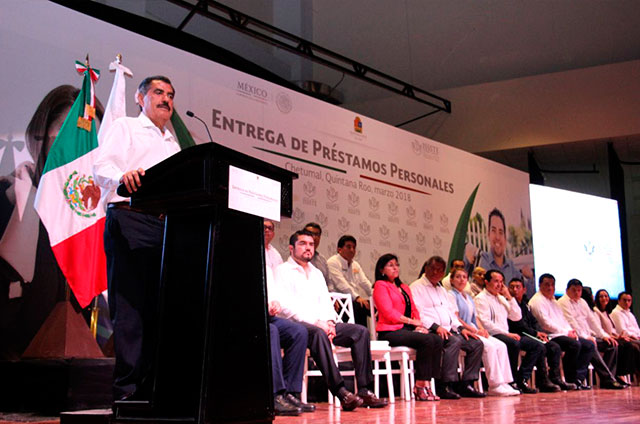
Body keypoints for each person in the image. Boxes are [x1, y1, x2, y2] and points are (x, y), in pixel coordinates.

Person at [93, 75, 181, 400]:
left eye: (170, 94)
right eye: (158, 92)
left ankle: (155, 391)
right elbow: (101, 166)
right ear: (140, 98)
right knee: (131, 309)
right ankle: (127, 394)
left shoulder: (173, 144)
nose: (166, 99)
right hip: (130, 217)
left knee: (161, 310)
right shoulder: (126, 127)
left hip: (167, 227)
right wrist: (122, 176)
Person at [0, 85, 103, 359]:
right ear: (42, 135)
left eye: (90, 140)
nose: (80, 150)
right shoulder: (10, 200)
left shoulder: (99, 222)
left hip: (83, 374)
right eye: (70, 134)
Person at [274, 230, 388, 411]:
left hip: (323, 324)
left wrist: (330, 322)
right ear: (291, 248)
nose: (308, 248)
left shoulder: (317, 273)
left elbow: (326, 302)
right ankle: (341, 392)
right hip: (298, 326)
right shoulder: (282, 271)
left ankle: (365, 390)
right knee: (318, 334)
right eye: (303, 244)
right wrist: (316, 322)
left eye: (311, 244)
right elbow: (286, 307)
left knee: (360, 332)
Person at [410, 256, 486, 399]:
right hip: (431, 331)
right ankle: (445, 384)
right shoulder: (416, 287)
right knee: (453, 342)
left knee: (476, 343)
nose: (436, 272)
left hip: (449, 329)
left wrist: (461, 329)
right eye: (433, 269)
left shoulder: (442, 290)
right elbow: (418, 314)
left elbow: (451, 314)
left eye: (440, 270)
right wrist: (436, 327)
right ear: (426, 268)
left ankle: (467, 384)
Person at [372, 253, 443, 401]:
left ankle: (429, 383)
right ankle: (419, 386)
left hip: (407, 330)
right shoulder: (380, 285)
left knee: (436, 339)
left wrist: (418, 326)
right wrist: (411, 322)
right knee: (427, 340)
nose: (395, 268)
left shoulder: (404, 287)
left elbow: (414, 310)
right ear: (381, 270)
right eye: (390, 265)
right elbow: (388, 312)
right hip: (390, 331)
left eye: (396, 265)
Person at [448, 268, 520, 396]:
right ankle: (495, 385)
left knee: (501, 345)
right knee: (490, 347)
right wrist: (474, 330)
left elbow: (475, 318)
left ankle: (505, 382)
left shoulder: (468, 297)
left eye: (464, 277)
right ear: (451, 280)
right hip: (462, 330)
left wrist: (481, 329)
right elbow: (456, 318)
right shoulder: (451, 295)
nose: (462, 280)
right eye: (458, 277)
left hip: (474, 328)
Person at [474, 269, 543, 394]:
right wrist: (507, 334)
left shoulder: (501, 298)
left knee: (537, 345)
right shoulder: (481, 299)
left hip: (506, 334)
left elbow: (516, 317)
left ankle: (521, 379)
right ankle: (511, 381)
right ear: (486, 282)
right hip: (493, 334)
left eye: (501, 282)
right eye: (496, 281)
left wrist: (509, 296)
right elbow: (486, 323)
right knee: (513, 344)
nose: (499, 285)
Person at [528, 273, 595, 390]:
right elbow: (545, 323)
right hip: (549, 335)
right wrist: (566, 332)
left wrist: (570, 331)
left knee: (588, 345)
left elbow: (563, 320)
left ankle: (578, 378)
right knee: (574, 345)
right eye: (547, 285)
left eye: (552, 285)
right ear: (540, 285)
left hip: (561, 333)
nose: (550, 288)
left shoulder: (553, 301)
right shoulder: (537, 301)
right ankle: (568, 378)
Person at [557, 279, 624, 389]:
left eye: (579, 290)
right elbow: (572, 323)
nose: (577, 293)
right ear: (567, 290)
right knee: (590, 345)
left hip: (588, 336)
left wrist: (604, 336)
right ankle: (606, 379)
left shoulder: (582, 302)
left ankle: (607, 378)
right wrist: (586, 337)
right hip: (575, 336)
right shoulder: (563, 302)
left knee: (612, 345)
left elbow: (592, 322)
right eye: (574, 290)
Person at [507, 278, 570, 391]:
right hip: (517, 334)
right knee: (539, 346)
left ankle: (555, 378)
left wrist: (541, 332)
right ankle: (528, 379)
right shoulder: (509, 304)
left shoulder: (524, 305)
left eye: (518, 287)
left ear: (524, 290)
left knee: (554, 346)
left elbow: (534, 321)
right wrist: (536, 333)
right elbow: (519, 326)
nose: (514, 290)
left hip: (529, 334)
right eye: (512, 287)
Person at [264, 266, 312, 416]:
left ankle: (290, 393)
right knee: (272, 331)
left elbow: (272, 291)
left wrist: (274, 303)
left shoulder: (268, 262)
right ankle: (275, 396)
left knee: (298, 332)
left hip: (268, 315)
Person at [467, 208, 535, 298]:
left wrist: (530, 278)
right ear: (488, 235)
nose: (497, 237)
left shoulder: (511, 266)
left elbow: (529, 294)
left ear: (505, 238)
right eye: (493, 231)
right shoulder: (482, 259)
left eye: (501, 232)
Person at [327, 235, 373, 326]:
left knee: (375, 307)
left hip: (353, 299)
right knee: (360, 306)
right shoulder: (333, 262)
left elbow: (364, 282)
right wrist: (357, 297)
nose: (352, 250)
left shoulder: (355, 264)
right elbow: (342, 285)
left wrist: (376, 296)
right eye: (348, 247)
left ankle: (385, 332)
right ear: (339, 249)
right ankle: (361, 333)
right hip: (339, 301)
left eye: (354, 247)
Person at [596, 290, 640, 380]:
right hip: (603, 337)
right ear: (619, 301)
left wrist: (617, 336)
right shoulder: (602, 312)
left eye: (606, 296)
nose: (627, 302)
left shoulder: (607, 312)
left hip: (615, 337)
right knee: (629, 346)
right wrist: (617, 336)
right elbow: (621, 330)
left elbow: (613, 330)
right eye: (601, 296)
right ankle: (620, 374)